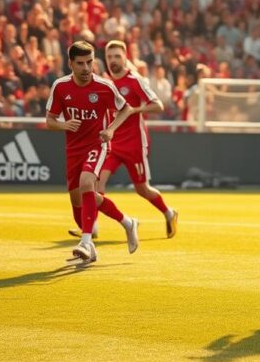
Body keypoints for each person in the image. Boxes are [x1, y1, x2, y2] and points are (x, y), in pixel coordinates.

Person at [46, 41, 139, 264]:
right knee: (78, 199)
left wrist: (111, 129)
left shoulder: (104, 87)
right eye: (80, 63)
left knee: (88, 183)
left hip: (97, 145)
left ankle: (87, 242)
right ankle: (127, 222)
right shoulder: (60, 87)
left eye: (90, 62)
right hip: (73, 149)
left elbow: (126, 108)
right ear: (70, 64)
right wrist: (63, 125)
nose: (86, 68)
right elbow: (49, 121)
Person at [90, 40, 179, 239]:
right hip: (112, 144)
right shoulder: (106, 82)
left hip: (134, 145)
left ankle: (168, 212)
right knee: (97, 184)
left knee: (142, 189)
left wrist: (134, 110)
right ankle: (92, 227)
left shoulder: (134, 81)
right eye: (109, 56)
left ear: (125, 58)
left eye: (117, 56)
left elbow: (157, 105)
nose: (113, 60)